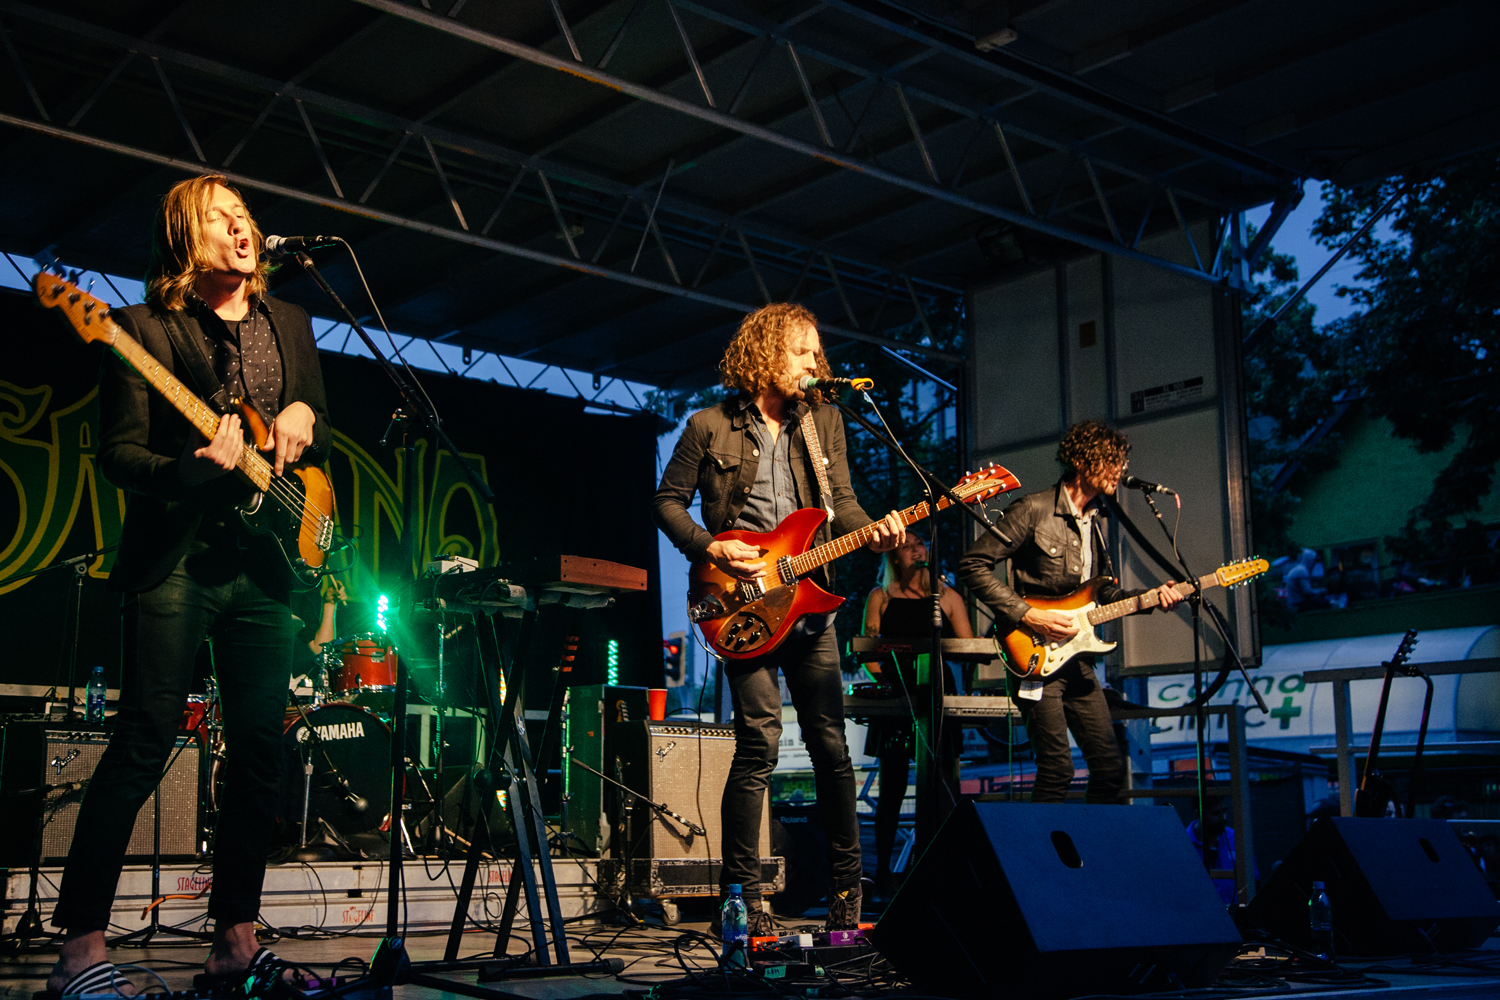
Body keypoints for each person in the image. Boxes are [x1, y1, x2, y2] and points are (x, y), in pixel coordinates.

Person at [46, 174, 330, 998]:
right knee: (143, 738)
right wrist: (193, 467)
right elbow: (120, 456)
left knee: (258, 754)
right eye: (220, 218)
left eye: (244, 215)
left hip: (267, 565)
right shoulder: (138, 330)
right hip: (175, 559)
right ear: (185, 238)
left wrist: (307, 413)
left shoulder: (294, 322)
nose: (241, 227)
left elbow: (310, 423)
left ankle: (237, 942)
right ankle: (80, 951)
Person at [653, 303, 902, 934]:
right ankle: (744, 899)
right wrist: (710, 546)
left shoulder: (825, 421)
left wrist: (872, 534)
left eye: (817, 354)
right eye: (801, 352)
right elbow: (666, 501)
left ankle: (848, 895)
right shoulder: (709, 425)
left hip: (811, 602)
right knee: (758, 745)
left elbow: (839, 504)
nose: (813, 364)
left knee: (830, 749)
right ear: (766, 353)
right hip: (740, 605)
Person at [956, 420, 1182, 805]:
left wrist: (1149, 598)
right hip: (1033, 654)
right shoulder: (1033, 509)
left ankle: (1094, 856)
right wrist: (1028, 614)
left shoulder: (1096, 521)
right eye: (1112, 461)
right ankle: (1041, 863)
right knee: (1057, 769)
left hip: (1075, 658)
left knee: (1109, 767)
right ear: (1083, 461)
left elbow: (1099, 592)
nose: (1119, 472)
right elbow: (972, 565)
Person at [860, 530, 973, 897]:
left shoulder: (946, 597)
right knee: (891, 788)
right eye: (907, 547)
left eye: (919, 545)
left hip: (937, 695)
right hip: (898, 700)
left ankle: (943, 869)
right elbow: (868, 651)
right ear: (893, 557)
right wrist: (888, 687)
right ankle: (881, 876)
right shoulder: (880, 597)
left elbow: (968, 648)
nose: (916, 550)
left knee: (943, 784)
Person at [1186, 800, 1256, 906]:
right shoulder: (1183, 842)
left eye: (1224, 811)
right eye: (1215, 813)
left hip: (1236, 914)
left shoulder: (1236, 838)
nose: (1223, 817)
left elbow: (1254, 879)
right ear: (1198, 813)